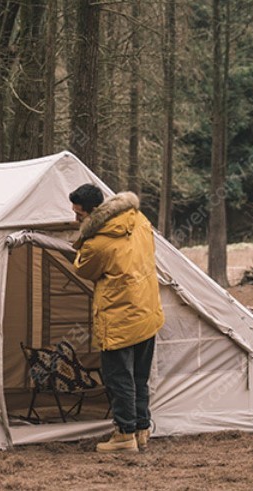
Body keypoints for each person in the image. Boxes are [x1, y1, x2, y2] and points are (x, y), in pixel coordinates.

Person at [69, 184, 165, 453]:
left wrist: (84, 235)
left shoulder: (98, 243)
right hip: (147, 312)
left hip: (119, 319)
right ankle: (141, 429)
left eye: (79, 215)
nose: (76, 219)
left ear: (93, 213)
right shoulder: (139, 220)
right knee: (138, 377)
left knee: (118, 379)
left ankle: (124, 435)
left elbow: (82, 268)